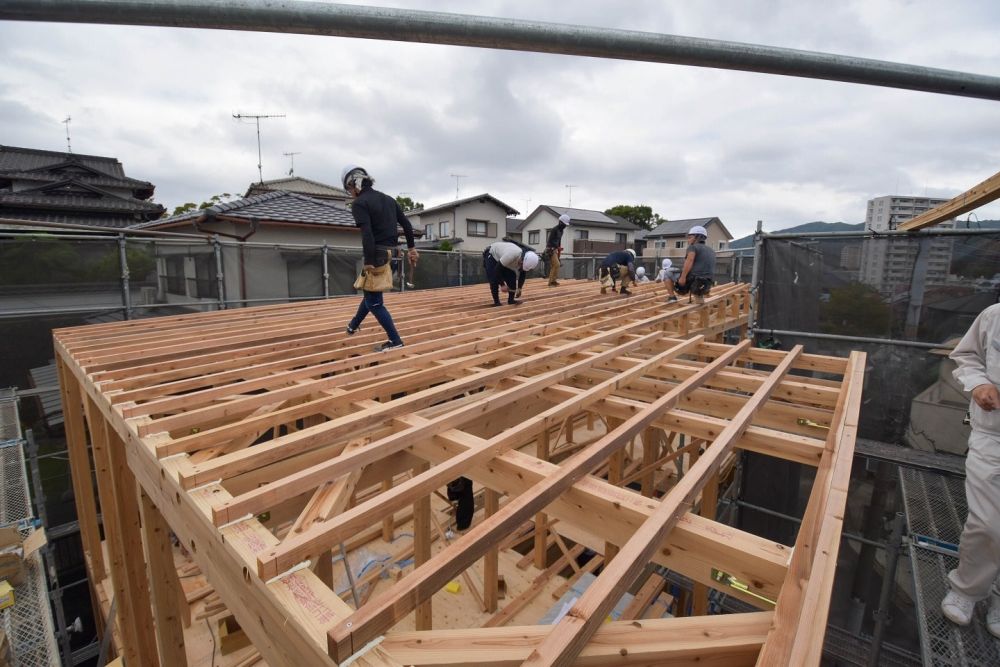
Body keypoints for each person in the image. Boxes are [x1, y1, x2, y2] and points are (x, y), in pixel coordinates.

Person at [940, 302, 1000, 638]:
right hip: (993, 434)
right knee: (987, 523)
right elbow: (967, 356)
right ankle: (968, 590)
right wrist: (978, 385)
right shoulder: (995, 316)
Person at [341, 165, 418, 352]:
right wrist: (412, 248)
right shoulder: (389, 200)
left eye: (349, 189)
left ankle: (395, 340)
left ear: (354, 185)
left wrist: (368, 261)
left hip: (377, 255)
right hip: (392, 255)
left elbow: (367, 234)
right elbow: (407, 225)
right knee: (370, 292)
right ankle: (353, 325)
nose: (350, 193)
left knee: (375, 302)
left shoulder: (360, 204)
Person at [483, 240, 540, 306]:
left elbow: (522, 273)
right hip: (492, 255)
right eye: (521, 265)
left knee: (512, 278)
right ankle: (496, 302)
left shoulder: (524, 260)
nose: (520, 267)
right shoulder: (512, 254)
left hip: (503, 259)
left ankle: (511, 300)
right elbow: (497, 269)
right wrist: (502, 285)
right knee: (494, 279)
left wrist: (519, 288)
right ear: (522, 260)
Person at [675, 225, 716, 304]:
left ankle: (671, 297)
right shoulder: (711, 250)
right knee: (699, 296)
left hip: (694, 280)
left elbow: (689, 260)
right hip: (706, 282)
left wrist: (682, 277)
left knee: (668, 273)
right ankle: (699, 299)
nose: (688, 240)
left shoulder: (693, 247)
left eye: (690, 237)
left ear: (697, 237)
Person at [545, 213, 571, 286]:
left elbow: (558, 240)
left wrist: (559, 248)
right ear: (560, 222)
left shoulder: (561, 231)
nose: (565, 226)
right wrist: (557, 247)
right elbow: (550, 241)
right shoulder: (554, 229)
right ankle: (551, 282)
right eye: (564, 224)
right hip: (550, 249)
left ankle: (553, 281)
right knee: (556, 264)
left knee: (556, 265)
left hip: (555, 249)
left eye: (566, 225)